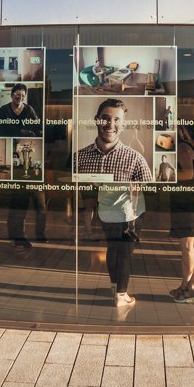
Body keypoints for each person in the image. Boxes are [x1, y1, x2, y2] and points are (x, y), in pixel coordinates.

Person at [75, 99, 152, 307]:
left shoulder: (136, 159)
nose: (111, 124)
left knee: (119, 250)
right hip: (106, 214)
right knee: (118, 251)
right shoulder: (79, 158)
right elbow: (82, 194)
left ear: (123, 124)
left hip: (130, 215)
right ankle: (121, 294)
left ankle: (116, 287)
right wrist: (86, 225)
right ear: (97, 120)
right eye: (106, 118)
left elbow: (150, 189)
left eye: (117, 119)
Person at [169, 124, 194, 304]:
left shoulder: (183, 148)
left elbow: (188, 174)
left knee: (187, 248)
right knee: (193, 248)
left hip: (187, 202)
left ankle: (185, 287)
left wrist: (165, 174)